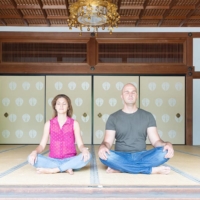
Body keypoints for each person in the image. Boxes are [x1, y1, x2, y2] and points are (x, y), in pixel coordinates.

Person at [98, 83, 174, 175]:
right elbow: (107, 142)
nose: (130, 95)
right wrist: (103, 147)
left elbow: (156, 141)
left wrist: (167, 144)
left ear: (137, 96)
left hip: (143, 155)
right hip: (121, 156)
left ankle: (121, 169)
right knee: (104, 156)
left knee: (165, 152)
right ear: (121, 96)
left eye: (133, 92)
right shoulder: (113, 117)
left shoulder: (148, 116)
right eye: (127, 92)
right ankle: (150, 170)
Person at [28, 94, 91, 174]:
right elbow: (42, 145)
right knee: (30, 157)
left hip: (70, 159)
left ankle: (54, 170)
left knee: (89, 156)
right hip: (53, 159)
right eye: (58, 104)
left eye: (64, 104)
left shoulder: (74, 123)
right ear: (55, 106)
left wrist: (84, 150)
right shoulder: (49, 124)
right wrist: (34, 152)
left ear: (68, 107)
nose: (61, 106)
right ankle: (66, 168)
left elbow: (80, 144)